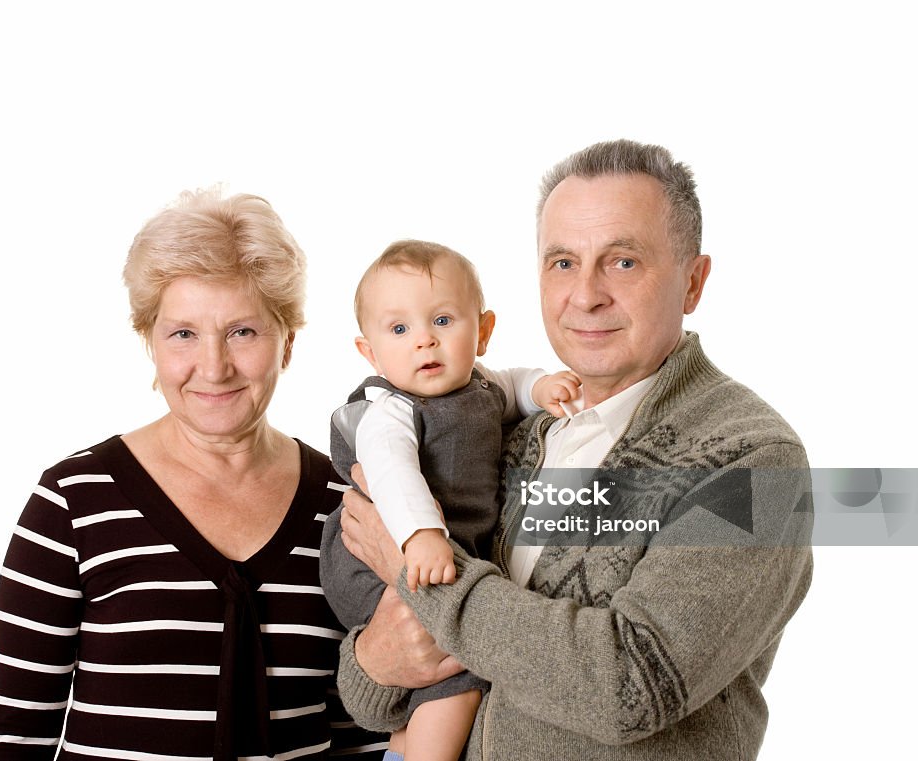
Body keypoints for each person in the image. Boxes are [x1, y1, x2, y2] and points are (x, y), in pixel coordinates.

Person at [334, 140, 814, 760]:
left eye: (622, 262)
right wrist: (375, 658)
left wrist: (418, 576)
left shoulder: (755, 461)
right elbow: (366, 698)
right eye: (562, 262)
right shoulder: (499, 432)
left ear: (693, 282)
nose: (585, 295)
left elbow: (630, 685)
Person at [0, 190, 386, 760]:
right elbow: (17, 735)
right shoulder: (71, 503)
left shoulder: (344, 502)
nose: (214, 366)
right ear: (150, 342)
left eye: (243, 331)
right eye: (183, 334)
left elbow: (362, 731)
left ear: (287, 344)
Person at [319, 240, 580, 761]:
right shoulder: (388, 410)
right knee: (458, 669)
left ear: (482, 331)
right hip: (378, 555)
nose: (424, 343)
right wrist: (421, 536)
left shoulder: (478, 384)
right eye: (399, 330)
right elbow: (391, 476)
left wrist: (543, 387)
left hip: (439, 547)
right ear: (369, 352)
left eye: (442, 321)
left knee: (439, 664)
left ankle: (401, 747)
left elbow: (511, 387)